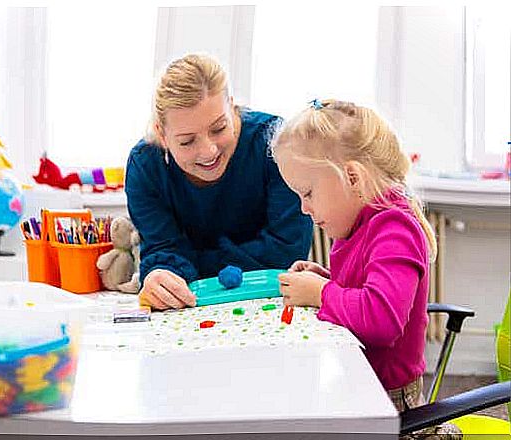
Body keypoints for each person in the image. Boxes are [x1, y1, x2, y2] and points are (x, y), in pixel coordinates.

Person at [272, 99, 461, 438]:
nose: (303, 208)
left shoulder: (395, 229)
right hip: (359, 382)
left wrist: (322, 294)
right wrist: (326, 280)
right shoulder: (359, 222)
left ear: (353, 177)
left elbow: (381, 319)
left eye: (309, 193)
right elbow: (366, 287)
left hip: (391, 406)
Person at [125, 53, 313, 310]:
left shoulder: (275, 143)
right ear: (162, 134)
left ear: (232, 107)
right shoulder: (145, 167)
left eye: (219, 128)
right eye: (187, 141)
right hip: (192, 308)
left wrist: (191, 262)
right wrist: (160, 276)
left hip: (271, 299)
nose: (209, 151)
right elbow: (163, 251)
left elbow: (285, 251)